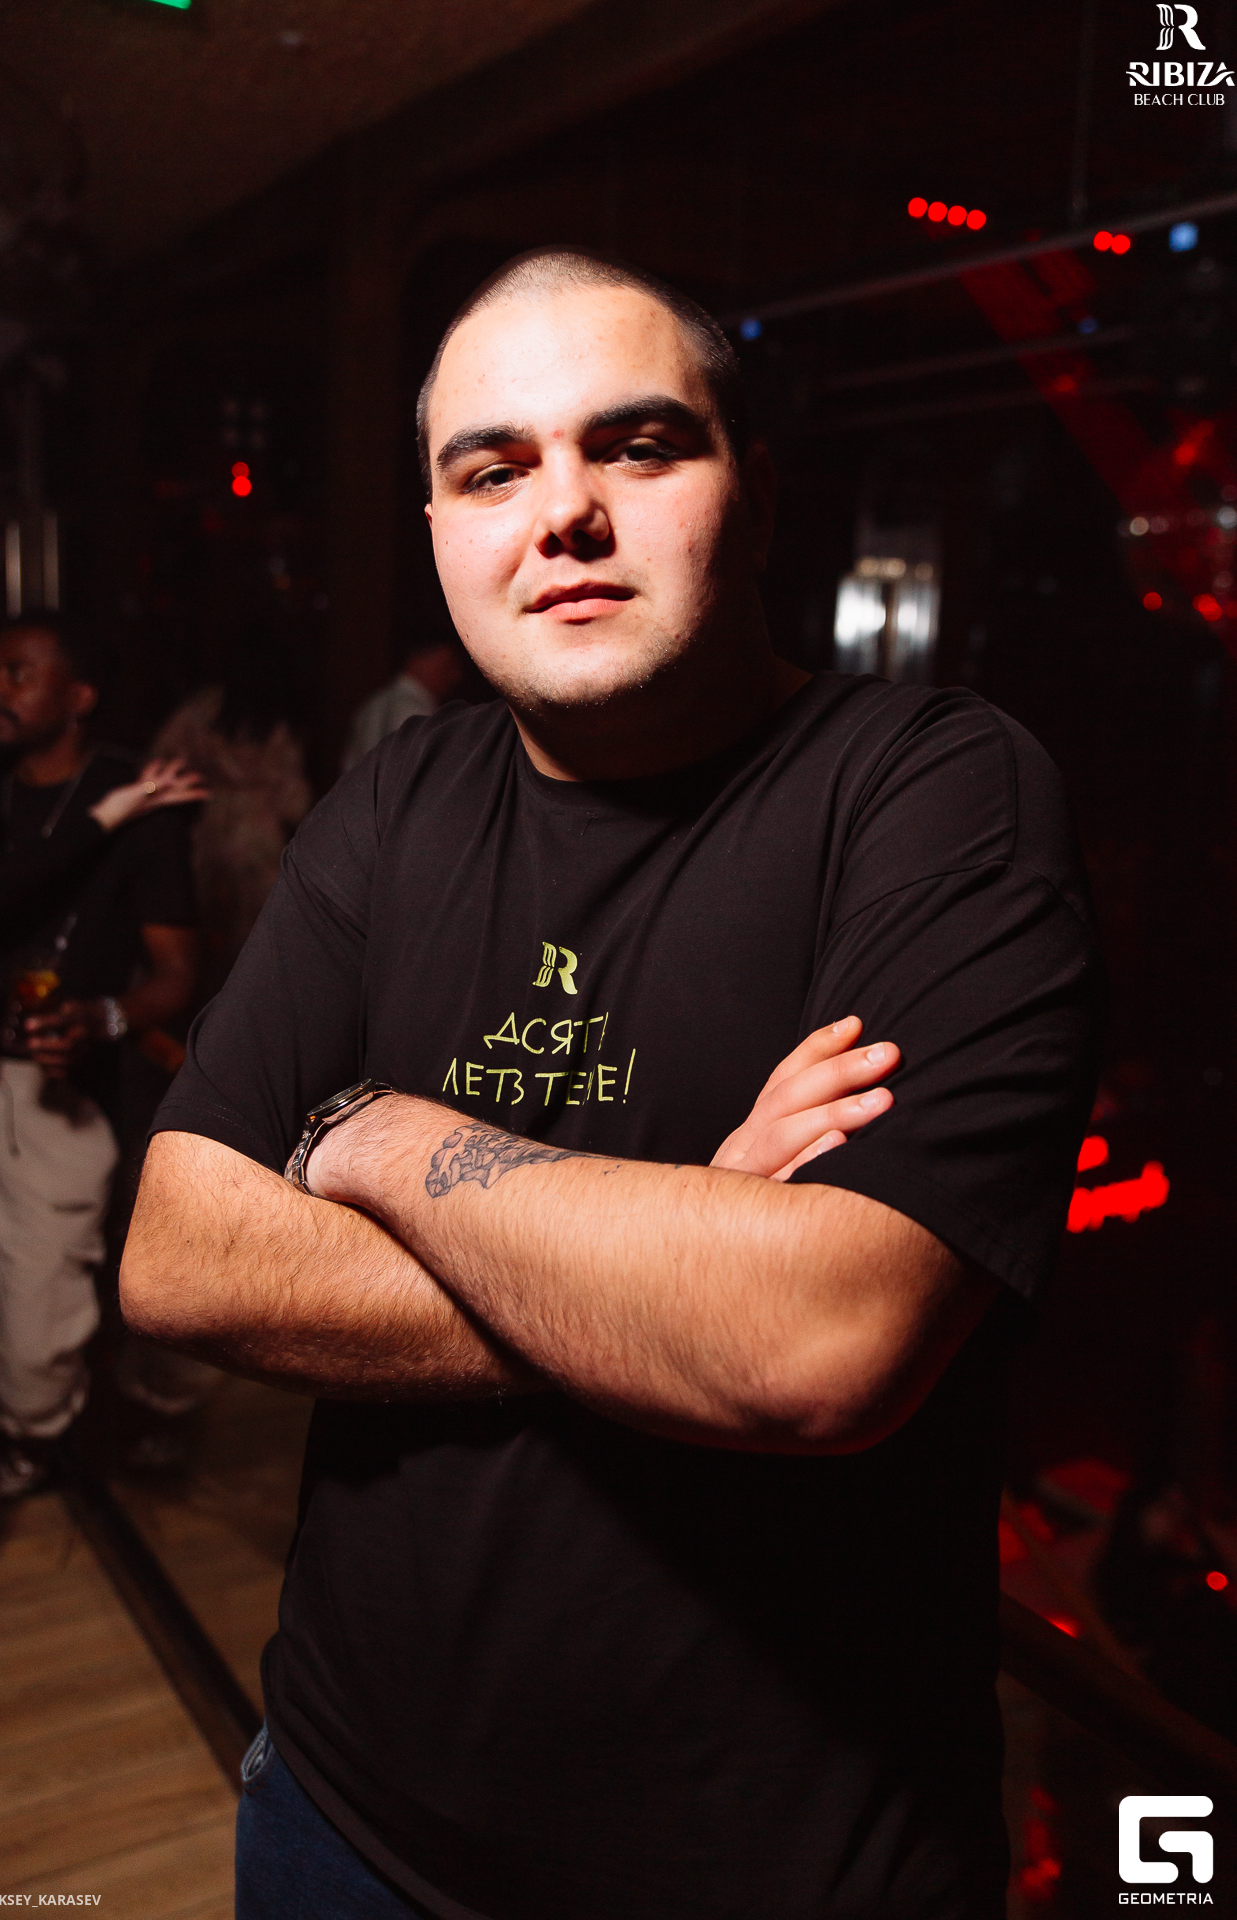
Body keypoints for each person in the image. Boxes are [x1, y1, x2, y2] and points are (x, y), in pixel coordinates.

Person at [124, 250, 1104, 1920]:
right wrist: (687, 1254)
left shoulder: (935, 792)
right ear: (441, 530)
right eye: (492, 470)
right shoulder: (393, 804)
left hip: (779, 1878)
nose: (563, 512)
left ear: (757, 491)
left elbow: (816, 1342)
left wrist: (377, 1134)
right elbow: (178, 1255)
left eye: (639, 447)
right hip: (342, 1822)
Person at [0, 613, 203, 1495]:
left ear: (79, 696)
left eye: (18, 673)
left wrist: (103, 1018)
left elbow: (178, 972)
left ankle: (40, 1436)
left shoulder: (135, 800)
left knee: (43, 1281)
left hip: (56, 1084)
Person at [152, 627, 313, 1002]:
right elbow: (294, 796)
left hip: (210, 827)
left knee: (207, 933)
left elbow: (162, 759)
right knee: (257, 938)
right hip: (260, 834)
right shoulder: (277, 719)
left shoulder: (202, 711)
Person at [340, 637, 464, 773]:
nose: (455, 675)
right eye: (446, 666)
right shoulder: (415, 710)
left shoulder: (374, 702)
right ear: (419, 661)